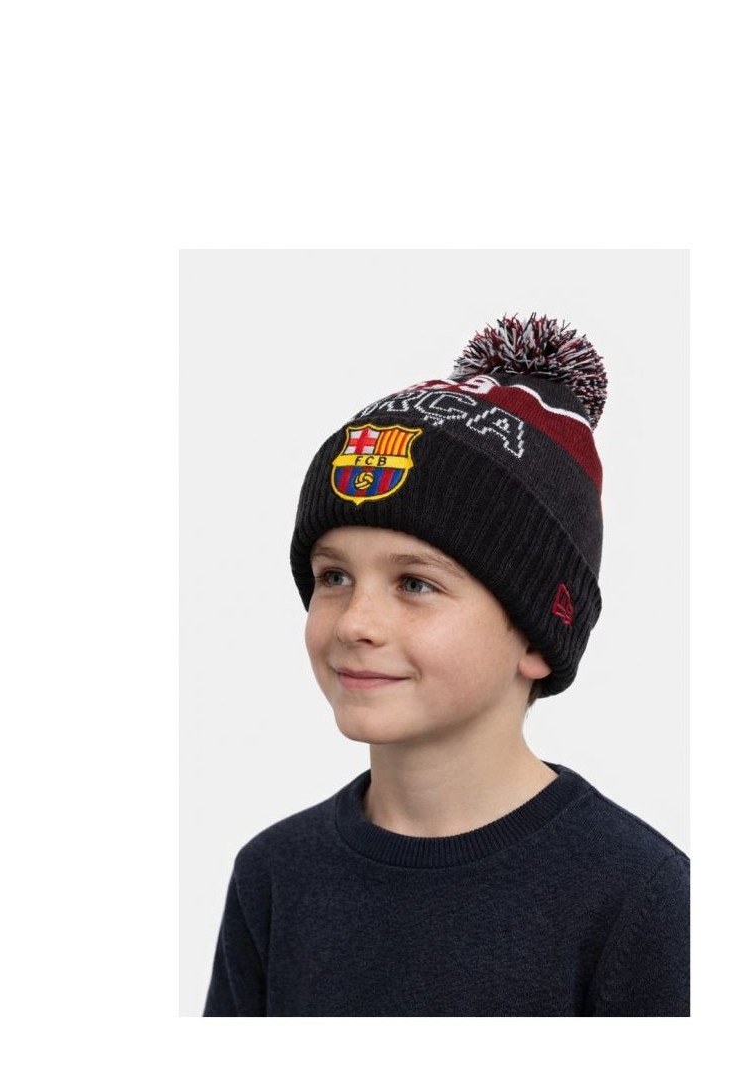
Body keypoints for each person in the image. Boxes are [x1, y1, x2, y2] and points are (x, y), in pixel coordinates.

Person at [203, 314, 689, 1016]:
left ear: (536, 634)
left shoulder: (641, 899)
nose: (356, 623)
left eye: (415, 584)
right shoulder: (275, 877)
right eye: (333, 576)